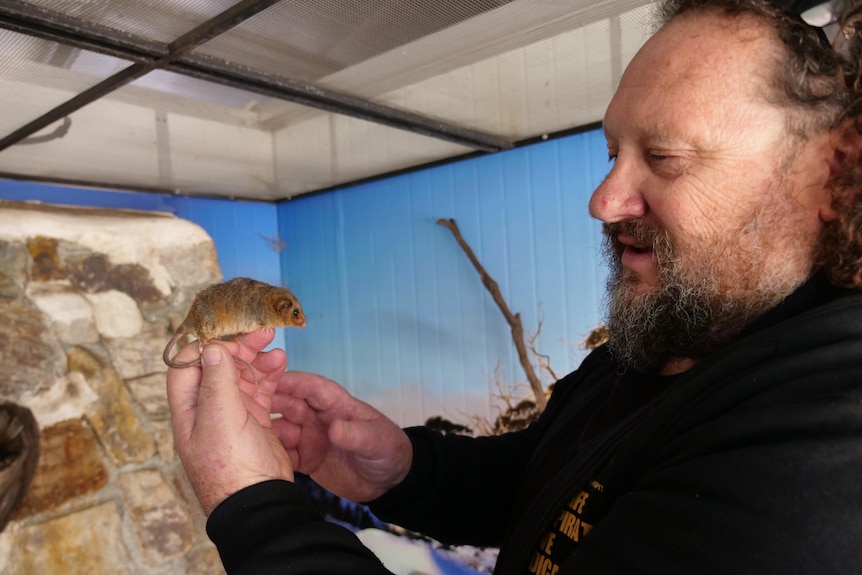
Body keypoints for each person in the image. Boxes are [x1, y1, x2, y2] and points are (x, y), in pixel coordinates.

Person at [166, 0, 862, 573]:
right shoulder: (671, 336)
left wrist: (252, 504)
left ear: (835, 170)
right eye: (611, 151)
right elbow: (547, 480)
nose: (605, 198)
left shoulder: (829, 438)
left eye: (664, 157)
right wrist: (404, 470)